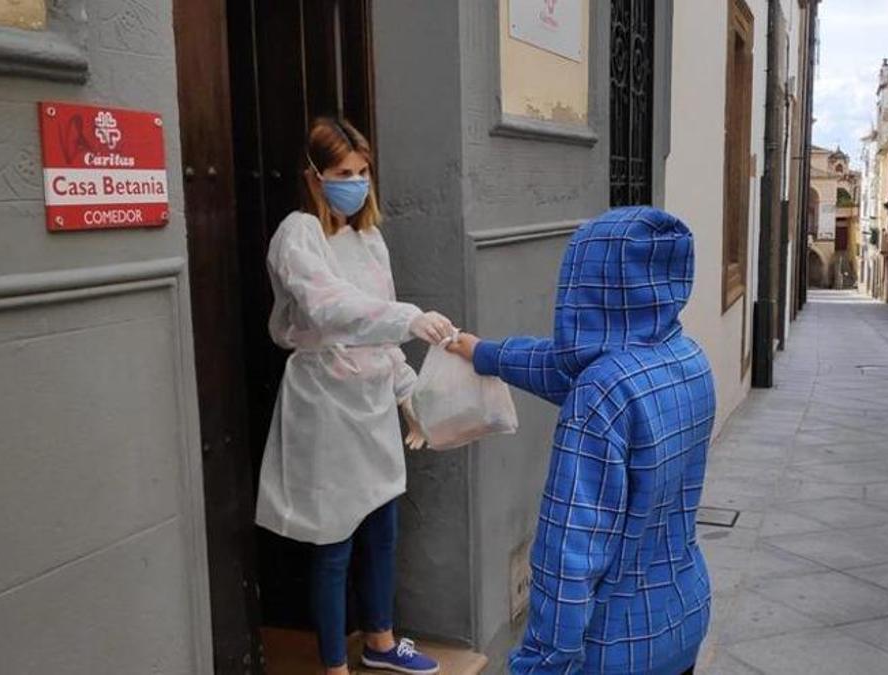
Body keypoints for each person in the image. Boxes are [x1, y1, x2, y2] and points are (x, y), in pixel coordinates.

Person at [448, 206, 715, 675]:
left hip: (614, 646)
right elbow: (563, 367)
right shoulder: (688, 359)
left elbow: (568, 555)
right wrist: (484, 353)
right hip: (682, 617)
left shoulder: (602, 391)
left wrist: (543, 664)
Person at [255, 117, 446, 675]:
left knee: (384, 523)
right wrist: (410, 318)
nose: (356, 183)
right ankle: (334, 664)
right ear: (313, 176)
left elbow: (377, 332)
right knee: (334, 536)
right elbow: (328, 307)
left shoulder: (369, 239)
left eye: (363, 172)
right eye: (343, 172)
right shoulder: (298, 234)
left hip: (370, 396)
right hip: (326, 399)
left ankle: (381, 643)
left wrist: (408, 395)